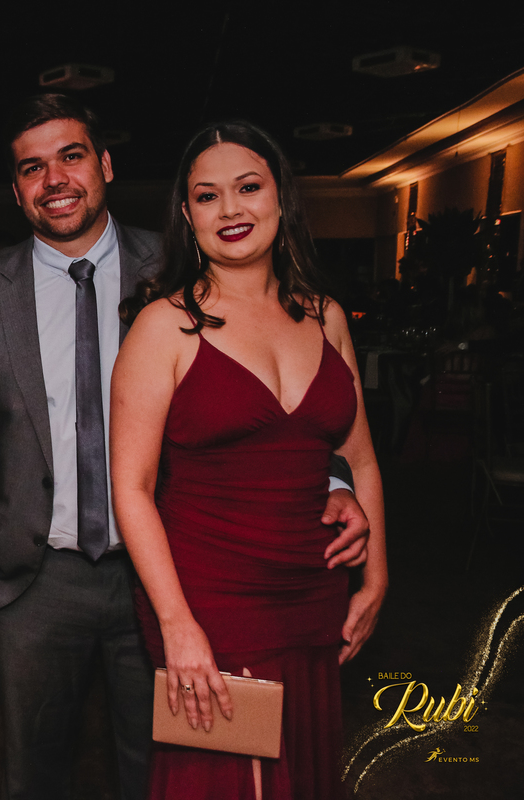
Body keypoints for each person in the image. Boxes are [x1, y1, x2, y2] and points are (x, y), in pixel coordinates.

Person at [0, 95, 372, 800]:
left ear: (105, 165)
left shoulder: (180, 265)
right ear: (15, 190)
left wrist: (333, 483)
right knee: (34, 776)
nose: (55, 179)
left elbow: (273, 407)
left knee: (169, 770)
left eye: (71, 156)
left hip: (180, 575)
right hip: (34, 582)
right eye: (32, 168)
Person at [110, 121, 387, 799]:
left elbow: (361, 460)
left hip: (314, 594)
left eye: (248, 187)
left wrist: (377, 576)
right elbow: (132, 488)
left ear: (281, 198)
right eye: (208, 196)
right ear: (187, 215)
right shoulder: (163, 326)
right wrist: (178, 625)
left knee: (301, 777)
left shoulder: (327, 317)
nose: (230, 209)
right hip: (213, 604)